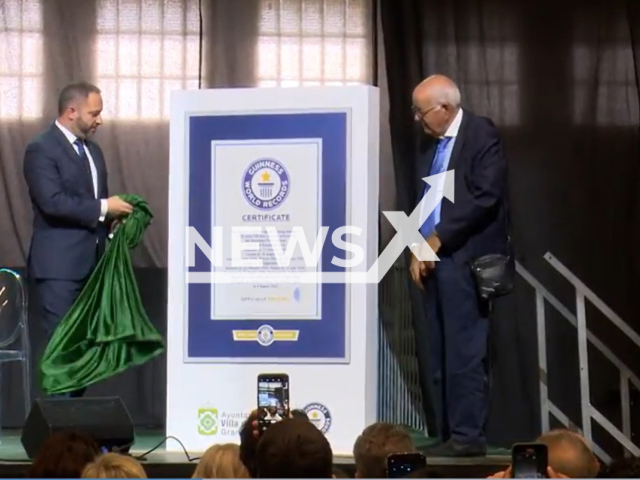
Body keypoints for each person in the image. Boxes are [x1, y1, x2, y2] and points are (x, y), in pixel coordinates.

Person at [409, 74, 509, 456]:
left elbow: (485, 196)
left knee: (465, 352)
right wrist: (417, 246)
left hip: (465, 259)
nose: (419, 119)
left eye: (422, 112)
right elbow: (428, 200)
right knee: (438, 352)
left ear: (446, 108)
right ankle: (447, 431)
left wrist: (438, 239)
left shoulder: (481, 134)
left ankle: (467, 437)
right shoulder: (430, 146)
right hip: (434, 259)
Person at [23, 81, 132, 397]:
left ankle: (73, 434)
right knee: (63, 353)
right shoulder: (41, 149)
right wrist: (103, 207)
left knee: (82, 355)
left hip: (92, 268)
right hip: (59, 270)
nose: (99, 120)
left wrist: (112, 219)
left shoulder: (94, 151)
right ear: (71, 112)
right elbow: (52, 201)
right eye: (94, 113)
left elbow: (93, 204)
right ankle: (58, 439)